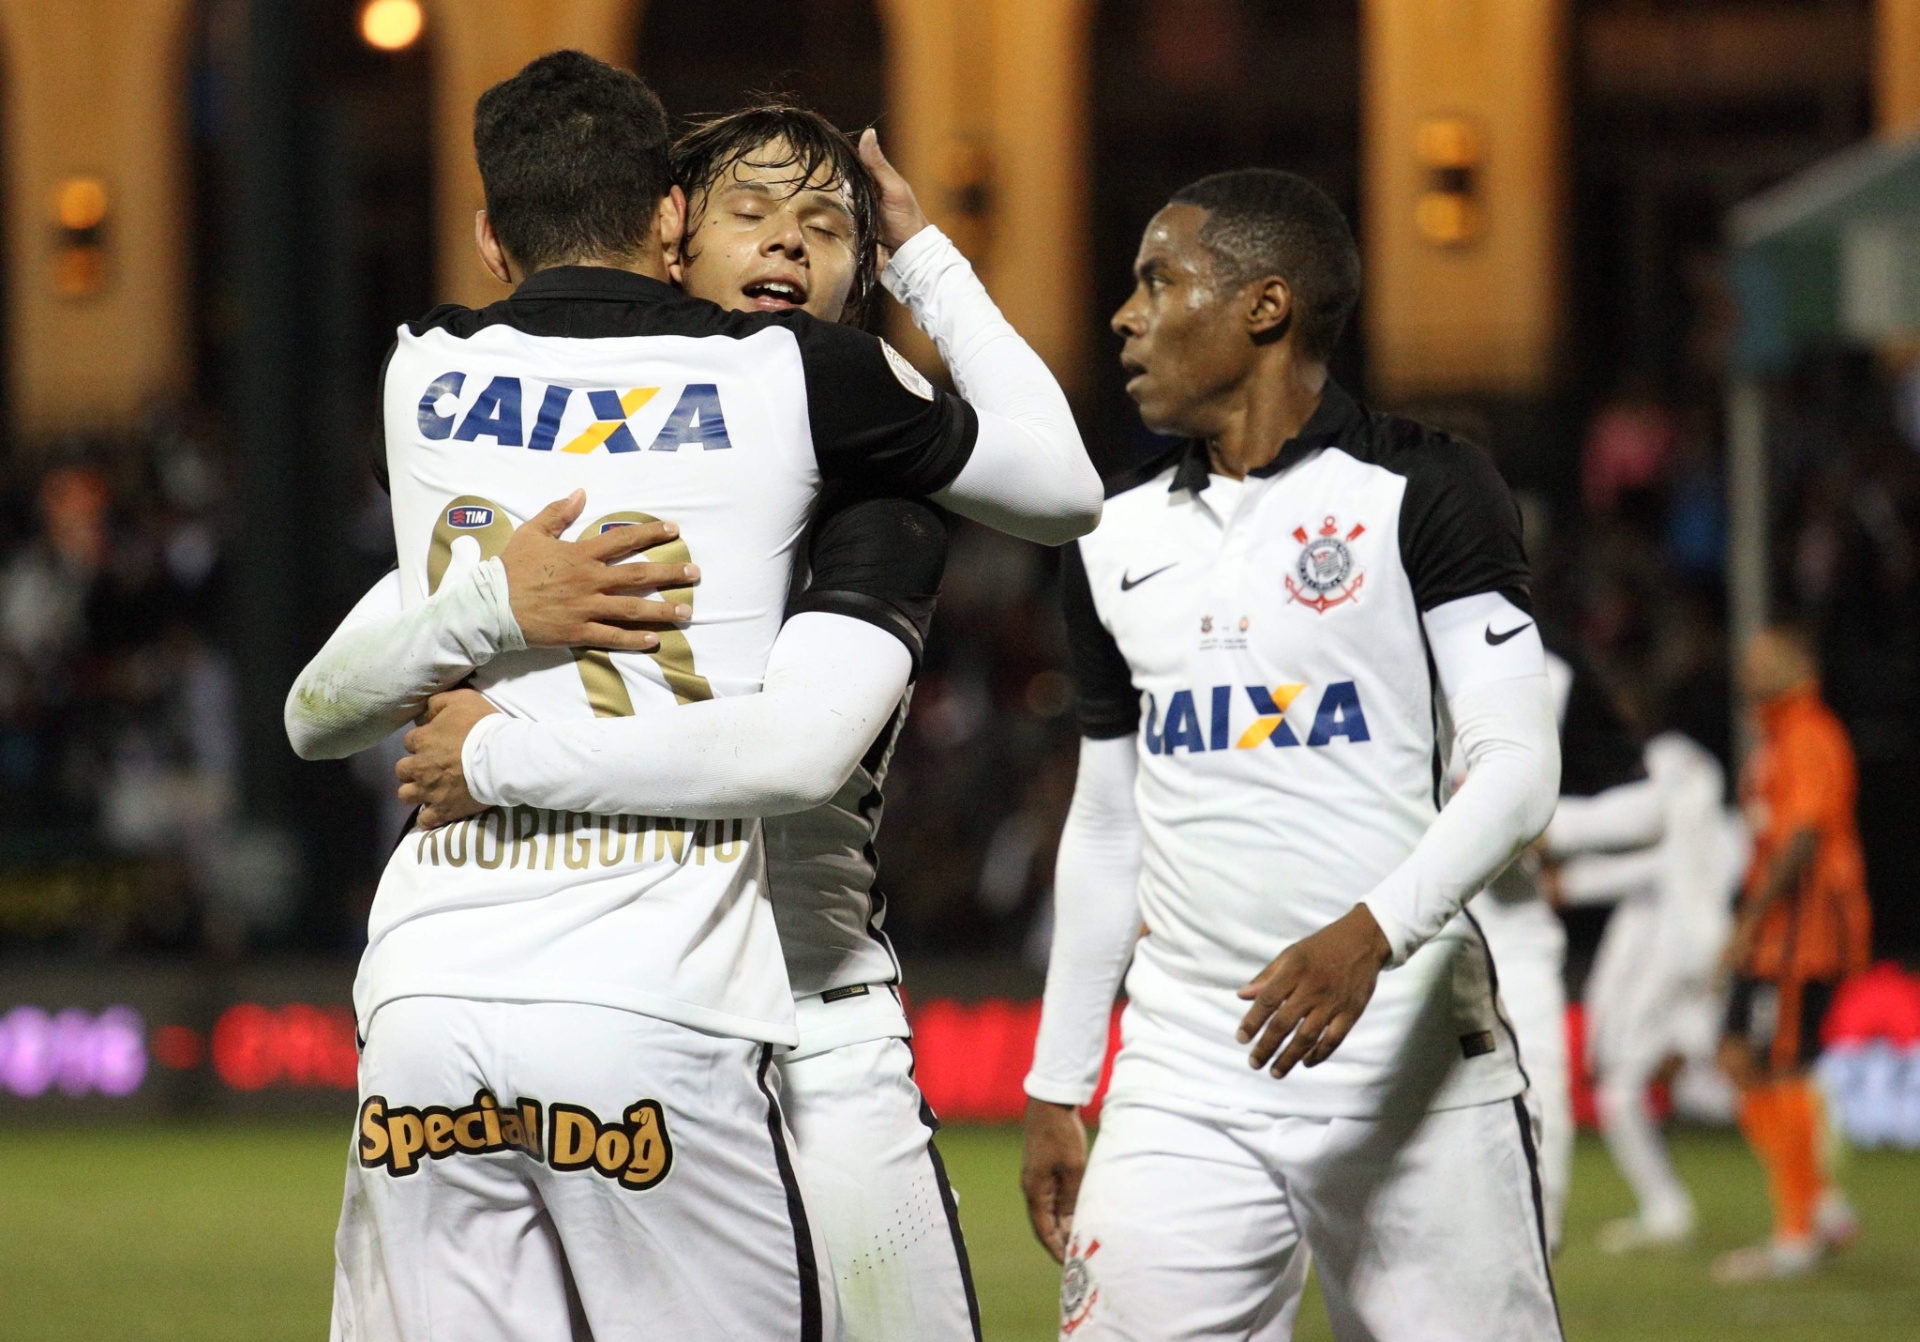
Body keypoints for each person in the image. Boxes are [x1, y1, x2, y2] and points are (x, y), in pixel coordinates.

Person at [289, 54, 1099, 1342]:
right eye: (750, 212)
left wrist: (495, 753)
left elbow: (797, 748)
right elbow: (323, 695)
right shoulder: (583, 491)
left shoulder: (880, 492)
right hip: (643, 996)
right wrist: (492, 604)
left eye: (829, 225)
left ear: (860, 273)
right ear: (670, 234)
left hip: (813, 1022)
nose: (788, 240)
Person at [1020, 169, 1564, 1341]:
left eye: (1158, 282)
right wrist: (1063, 1078)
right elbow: (1108, 821)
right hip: (1182, 1074)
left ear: (1265, 307)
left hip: (1410, 1062)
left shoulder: (1425, 485)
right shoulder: (1109, 539)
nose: (1123, 315)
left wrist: (1371, 936)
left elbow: (1519, 765)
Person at [1467, 639, 1656, 1251]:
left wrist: (1544, 825)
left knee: (1536, 1123)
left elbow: (1648, 810)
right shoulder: (1363, 654)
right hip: (1381, 951)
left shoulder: (1548, 676)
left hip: (1513, 946)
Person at [1543, 725, 1743, 1252]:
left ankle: (1667, 1206)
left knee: (1622, 1091)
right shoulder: (1728, 836)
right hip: (1709, 963)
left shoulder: (1678, 844)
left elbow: (1646, 862)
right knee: (1735, 1077)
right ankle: (1816, 1195)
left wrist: (1568, 881)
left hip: (1676, 963)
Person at [1711, 622, 1869, 1283]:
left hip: (1799, 935)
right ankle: (1823, 1204)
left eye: (1764, 657)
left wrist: (1750, 918)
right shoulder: (1774, 735)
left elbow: (1801, 836)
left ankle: (1798, 1233)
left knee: (1778, 1068)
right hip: (1775, 932)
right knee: (1738, 1058)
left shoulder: (1809, 732)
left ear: (1799, 663)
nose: (1749, 668)